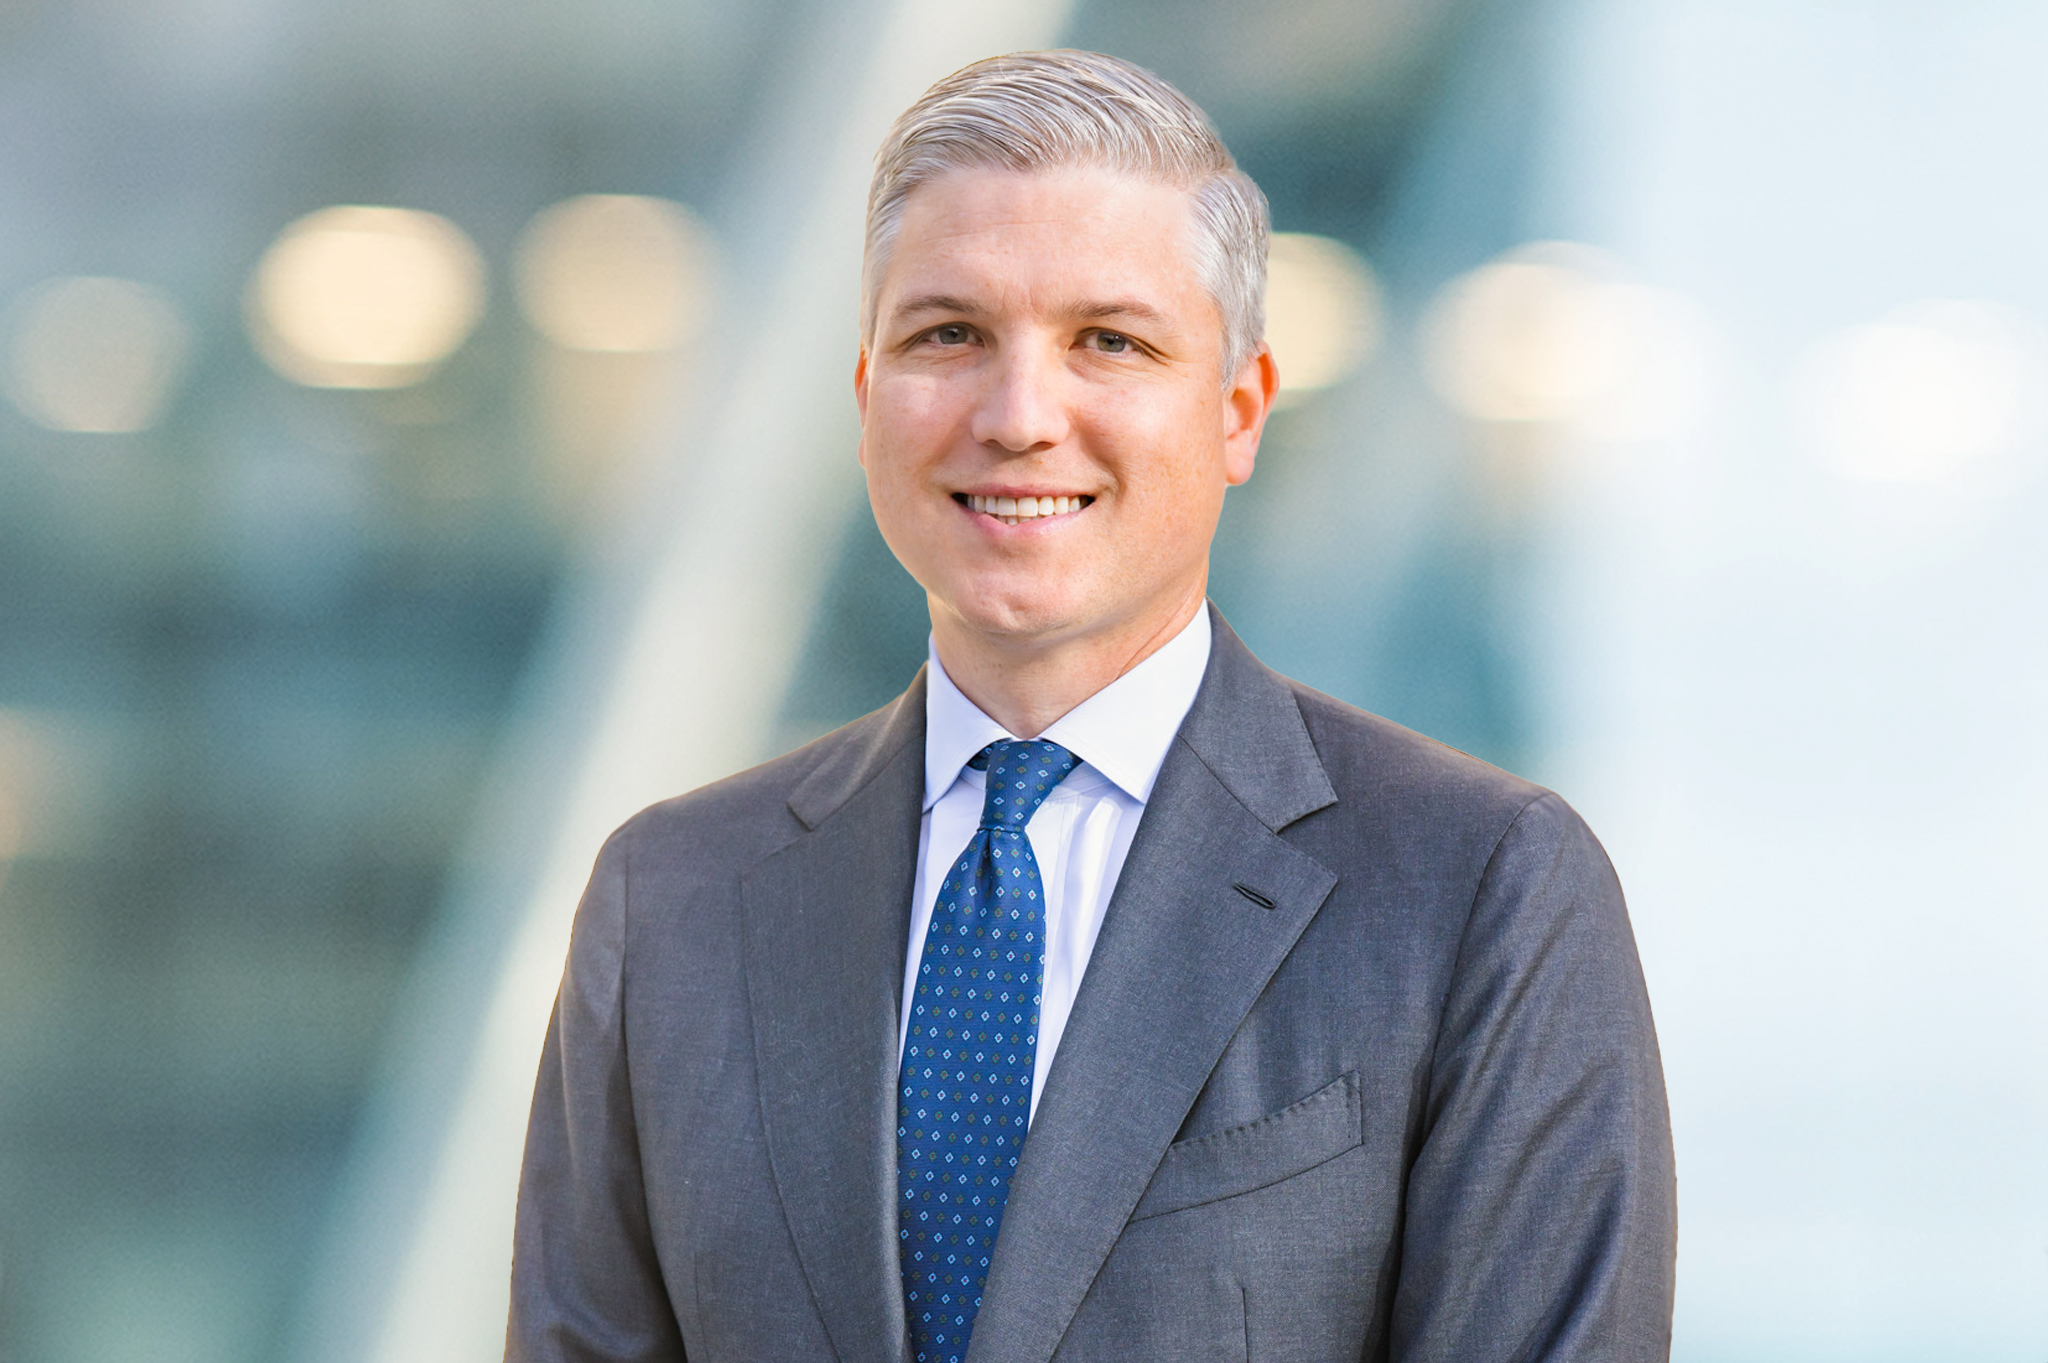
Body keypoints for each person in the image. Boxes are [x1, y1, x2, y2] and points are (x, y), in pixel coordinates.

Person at [507, 50, 1675, 1363]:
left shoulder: (1479, 890)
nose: (1018, 417)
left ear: (1238, 411)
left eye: (1109, 342)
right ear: (867, 399)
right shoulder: (670, 899)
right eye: (949, 336)